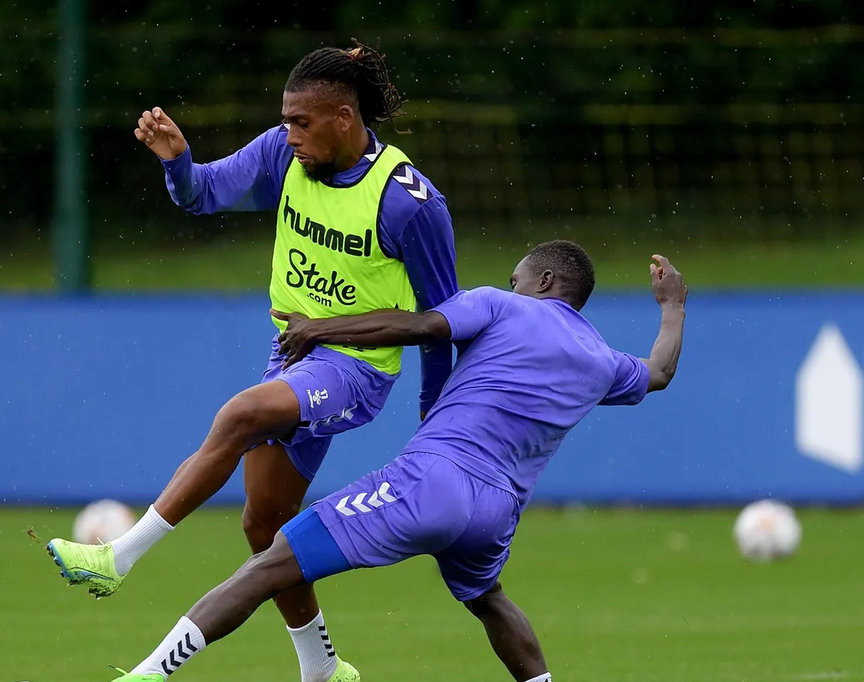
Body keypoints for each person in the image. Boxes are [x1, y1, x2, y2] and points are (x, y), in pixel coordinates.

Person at [45, 40, 458, 682]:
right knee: (265, 522)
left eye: (302, 122)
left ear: (345, 119)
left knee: (239, 416)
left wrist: (437, 425)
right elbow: (202, 195)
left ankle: (119, 557)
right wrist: (178, 162)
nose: (287, 133)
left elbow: (441, 323)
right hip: (292, 354)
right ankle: (322, 667)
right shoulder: (281, 154)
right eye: (285, 119)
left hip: (355, 369)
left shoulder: (409, 203)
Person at [96, 241, 688, 682]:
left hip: (433, 481)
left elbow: (419, 327)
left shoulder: (501, 307)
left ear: (546, 280)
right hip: (497, 514)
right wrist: (672, 306)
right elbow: (659, 372)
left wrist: (321, 329)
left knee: (271, 564)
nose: (509, 284)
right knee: (487, 598)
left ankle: (148, 674)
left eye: (518, 277)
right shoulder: (600, 359)